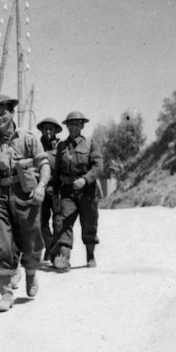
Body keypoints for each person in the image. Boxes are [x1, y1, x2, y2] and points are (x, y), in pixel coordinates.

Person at [0, 94, 50, 312]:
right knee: (0, 243)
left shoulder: (28, 138)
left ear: (12, 113)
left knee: (31, 239)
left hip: (25, 194)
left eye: (3, 113)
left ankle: (30, 273)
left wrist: (41, 186)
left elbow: (44, 164)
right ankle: (7, 292)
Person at [51, 111, 103, 271]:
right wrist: (55, 193)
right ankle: (65, 258)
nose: (73, 127)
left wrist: (85, 179)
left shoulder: (90, 144)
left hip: (87, 191)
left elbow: (98, 166)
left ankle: (90, 254)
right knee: (65, 222)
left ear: (82, 125)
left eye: (76, 124)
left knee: (89, 222)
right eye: (70, 124)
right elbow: (57, 172)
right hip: (68, 191)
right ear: (66, 126)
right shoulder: (61, 146)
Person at [36, 117, 63, 264]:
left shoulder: (61, 146)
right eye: (45, 128)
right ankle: (50, 246)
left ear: (55, 131)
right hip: (40, 186)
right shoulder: (36, 145)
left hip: (56, 188)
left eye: (50, 129)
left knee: (59, 221)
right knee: (41, 222)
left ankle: (54, 252)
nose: (48, 132)